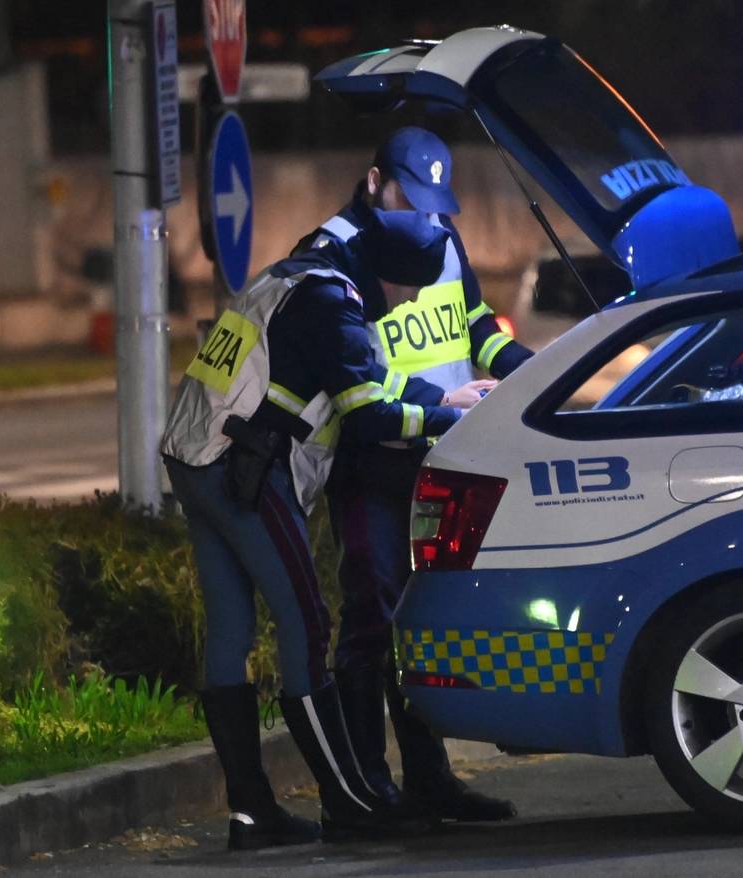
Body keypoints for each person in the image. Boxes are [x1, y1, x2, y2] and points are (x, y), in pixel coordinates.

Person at [162, 208, 493, 850]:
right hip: (246, 472)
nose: (407, 304)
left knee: (230, 631)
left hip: (198, 458)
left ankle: (253, 814)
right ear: (387, 277)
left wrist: (438, 397)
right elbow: (366, 415)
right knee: (307, 623)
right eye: (409, 291)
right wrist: (452, 422)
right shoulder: (333, 300)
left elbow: (353, 375)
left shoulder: (294, 277)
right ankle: (349, 802)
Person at [296, 128, 532, 822]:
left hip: (446, 460)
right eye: (409, 195)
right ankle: (368, 791)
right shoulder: (330, 255)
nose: (425, 213)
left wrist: (523, 367)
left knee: (428, 621)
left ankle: (430, 782)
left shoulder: (440, 235)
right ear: (374, 183)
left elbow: (475, 323)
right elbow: (347, 366)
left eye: (434, 200)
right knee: (372, 619)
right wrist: (439, 402)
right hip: (373, 463)